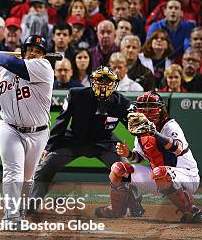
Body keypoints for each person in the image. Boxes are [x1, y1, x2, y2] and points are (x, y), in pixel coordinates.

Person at [30, 66, 135, 213]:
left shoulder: (122, 101)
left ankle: (130, 205)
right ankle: (31, 203)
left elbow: (131, 123)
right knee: (45, 166)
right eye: (100, 80)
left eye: (108, 81)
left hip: (104, 142)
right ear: (92, 81)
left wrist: (136, 120)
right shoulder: (76, 94)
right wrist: (49, 146)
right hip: (74, 139)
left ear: (115, 84)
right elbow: (62, 120)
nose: (103, 85)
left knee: (125, 169)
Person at [0, 35, 55, 227]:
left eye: (38, 51)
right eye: (30, 49)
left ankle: (19, 211)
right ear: (23, 51)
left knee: (27, 178)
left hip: (38, 133)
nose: (33, 53)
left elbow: (13, 63)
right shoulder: (5, 72)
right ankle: (11, 216)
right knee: (14, 172)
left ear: (43, 55)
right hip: (10, 129)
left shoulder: (43, 67)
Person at [95, 92, 202, 223]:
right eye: (143, 107)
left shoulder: (169, 125)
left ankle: (190, 210)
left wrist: (154, 132)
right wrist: (128, 154)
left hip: (187, 177)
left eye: (150, 107)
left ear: (160, 109)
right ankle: (118, 209)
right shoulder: (140, 130)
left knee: (160, 172)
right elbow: (140, 158)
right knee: (118, 168)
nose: (146, 111)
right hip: (159, 177)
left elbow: (178, 149)